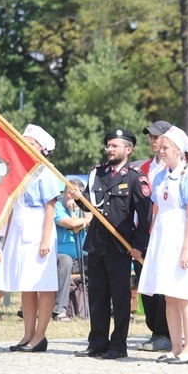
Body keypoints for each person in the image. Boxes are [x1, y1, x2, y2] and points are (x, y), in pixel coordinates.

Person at [72, 128, 152, 360]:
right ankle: (97, 342)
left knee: (120, 297)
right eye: (108, 145)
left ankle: (118, 345)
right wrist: (79, 197)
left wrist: (138, 245)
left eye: (115, 146)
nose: (110, 149)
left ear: (128, 149)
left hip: (121, 246)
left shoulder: (135, 177)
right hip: (97, 243)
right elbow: (90, 205)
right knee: (97, 295)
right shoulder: (97, 173)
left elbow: (145, 216)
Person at [137, 126, 188, 364]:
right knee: (169, 296)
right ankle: (175, 347)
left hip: (178, 239)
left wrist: (186, 248)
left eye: (165, 148)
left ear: (178, 150)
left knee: (183, 295)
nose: (161, 151)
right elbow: (157, 210)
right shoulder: (162, 175)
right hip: (162, 239)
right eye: (161, 147)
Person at [0, 124, 60, 352]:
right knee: (26, 285)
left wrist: (45, 239)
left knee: (42, 284)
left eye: (30, 143)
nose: (24, 145)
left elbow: (50, 208)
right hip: (19, 230)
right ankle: (27, 334)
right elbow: (13, 205)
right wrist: (7, 237)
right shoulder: (19, 170)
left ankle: (40, 336)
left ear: (41, 148)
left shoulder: (46, 171)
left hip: (38, 227)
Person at [135, 121, 171, 353]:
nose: (153, 140)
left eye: (157, 136)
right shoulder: (143, 168)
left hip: (165, 234)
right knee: (145, 284)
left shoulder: (176, 168)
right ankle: (154, 331)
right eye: (150, 136)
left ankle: (165, 333)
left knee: (163, 287)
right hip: (143, 235)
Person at [54, 179, 92, 321]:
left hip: (82, 256)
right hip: (60, 256)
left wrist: (80, 207)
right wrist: (71, 212)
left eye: (74, 193)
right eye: (67, 193)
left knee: (99, 260)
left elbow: (92, 219)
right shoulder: (57, 206)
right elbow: (70, 223)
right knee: (66, 261)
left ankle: (107, 307)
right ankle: (59, 310)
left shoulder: (84, 207)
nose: (70, 196)